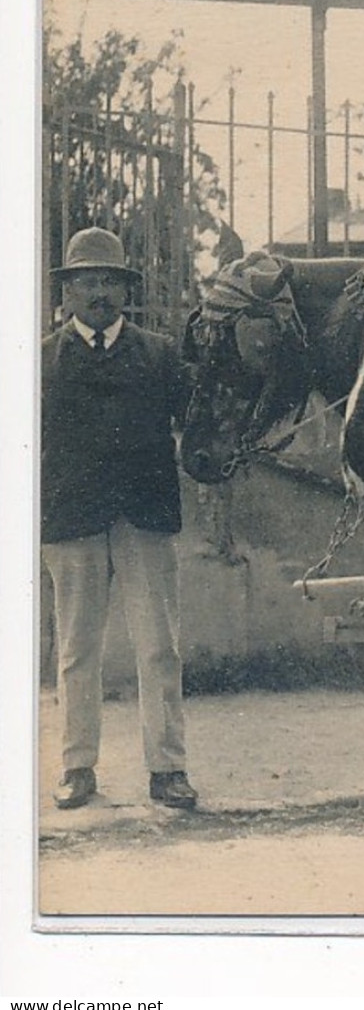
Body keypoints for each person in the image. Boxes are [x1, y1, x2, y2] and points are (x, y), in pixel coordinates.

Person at [41, 227, 197, 809]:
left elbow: (196, 422)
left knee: (159, 646)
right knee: (76, 650)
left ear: (126, 290)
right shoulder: (39, 359)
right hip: (71, 519)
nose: (100, 292)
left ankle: (168, 770)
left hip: (144, 517)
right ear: (69, 290)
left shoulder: (160, 354)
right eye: (88, 280)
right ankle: (77, 767)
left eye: (110, 280)